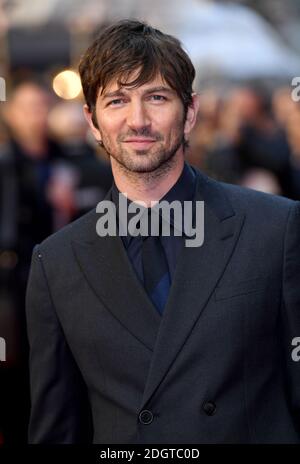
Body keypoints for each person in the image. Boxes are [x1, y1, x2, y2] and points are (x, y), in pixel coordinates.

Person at [26, 19, 300, 444]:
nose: (138, 121)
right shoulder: (56, 263)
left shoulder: (275, 229)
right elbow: (57, 429)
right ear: (93, 121)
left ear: (190, 112)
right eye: (117, 101)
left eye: (156, 97)